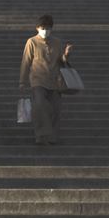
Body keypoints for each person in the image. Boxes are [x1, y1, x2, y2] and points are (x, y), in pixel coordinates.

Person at [19, 14, 73, 145]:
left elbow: (61, 61)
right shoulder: (31, 42)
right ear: (37, 28)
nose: (45, 31)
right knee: (40, 106)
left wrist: (66, 55)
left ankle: (52, 136)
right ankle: (41, 135)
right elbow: (26, 62)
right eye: (43, 28)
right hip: (38, 80)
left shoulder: (57, 42)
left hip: (55, 81)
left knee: (55, 109)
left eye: (48, 28)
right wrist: (22, 81)